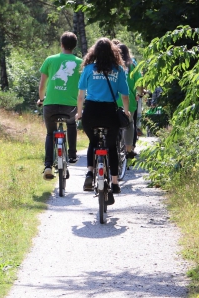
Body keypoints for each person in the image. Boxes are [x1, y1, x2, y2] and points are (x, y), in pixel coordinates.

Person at [76, 38, 131, 194]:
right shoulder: (118, 70)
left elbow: (81, 96)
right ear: (113, 52)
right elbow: (125, 96)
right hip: (109, 113)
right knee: (111, 146)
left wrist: (79, 114)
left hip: (91, 112)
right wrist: (126, 112)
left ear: (94, 52)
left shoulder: (88, 69)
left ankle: (89, 172)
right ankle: (114, 182)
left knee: (93, 142)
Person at [37, 32, 82, 179]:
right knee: (71, 125)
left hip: (50, 105)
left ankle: (48, 166)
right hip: (71, 106)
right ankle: (73, 155)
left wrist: (41, 99)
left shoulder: (50, 60)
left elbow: (43, 85)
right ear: (74, 46)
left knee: (51, 133)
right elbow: (83, 88)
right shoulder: (80, 63)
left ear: (61, 44)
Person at [112, 41, 144, 159]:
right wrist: (139, 94)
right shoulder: (132, 65)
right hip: (129, 100)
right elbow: (140, 82)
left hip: (113, 100)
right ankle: (129, 148)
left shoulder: (112, 65)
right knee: (129, 123)